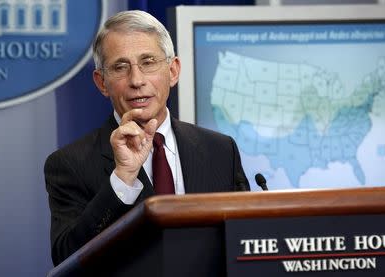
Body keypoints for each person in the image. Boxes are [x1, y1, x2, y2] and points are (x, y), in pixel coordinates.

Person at [44, 10, 250, 266]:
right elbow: (67, 259)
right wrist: (122, 179)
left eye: (148, 62)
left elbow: (246, 242)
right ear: (102, 83)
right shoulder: (69, 164)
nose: (136, 80)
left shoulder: (220, 150)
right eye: (120, 67)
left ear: (173, 71)